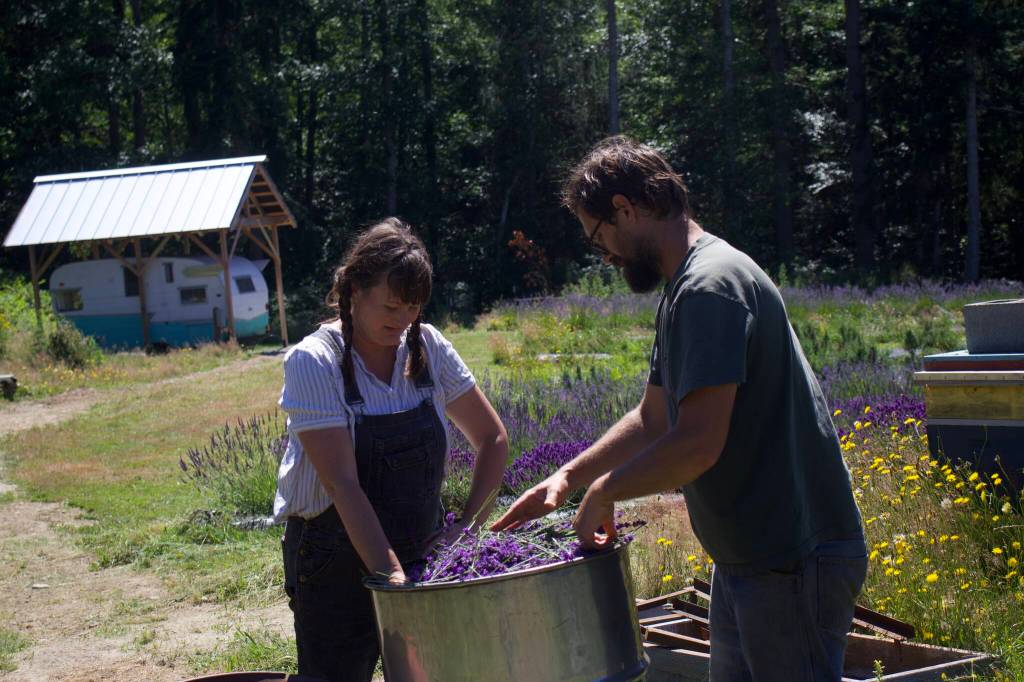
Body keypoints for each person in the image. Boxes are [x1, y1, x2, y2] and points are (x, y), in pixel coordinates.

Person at [493, 136, 867, 681]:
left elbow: (696, 443)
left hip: (791, 559)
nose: (606, 257)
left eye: (600, 238)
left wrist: (605, 492)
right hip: (752, 560)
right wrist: (568, 478)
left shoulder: (708, 288)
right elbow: (655, 419)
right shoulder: (686, 286)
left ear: (627, 208)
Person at [276, 218, 508, 682]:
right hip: (334, 558)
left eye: (413, 308)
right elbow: (342, 484)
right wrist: (391, 576)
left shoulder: (426, 346)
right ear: (355, 288)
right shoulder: (314, 361)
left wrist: (467, 527)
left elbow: (492, 439)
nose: (402, 321)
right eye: (392, 306)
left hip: (421, 548)